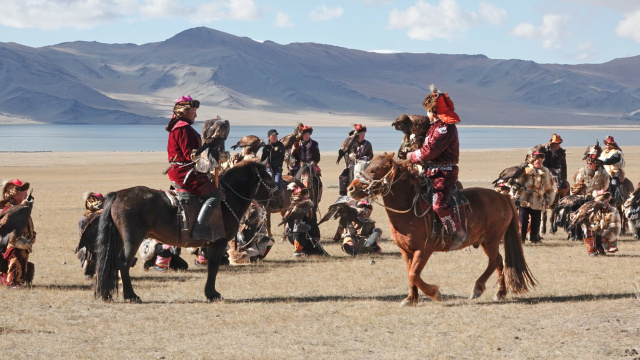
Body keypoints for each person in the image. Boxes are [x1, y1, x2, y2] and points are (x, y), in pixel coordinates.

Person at [408, 84, 467, 249]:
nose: (427, 114)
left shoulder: (444, 129)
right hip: (430, 172)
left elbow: (429, 152)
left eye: (428, 111)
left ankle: (459, 232)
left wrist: (411, 156)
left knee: (438, 204)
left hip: (444, 173)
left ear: (434, 112)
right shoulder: (435, 127)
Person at [166, 95, 224, 241]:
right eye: (193, 112)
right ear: (184, 112)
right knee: (215, 195)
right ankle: (199, 229)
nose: (196, 115)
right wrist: (211, 151)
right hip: (185, 173)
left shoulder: (178, 127)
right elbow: (191, 155)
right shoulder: (183, 129)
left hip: (180, 171)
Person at [513, 151, 556, 243]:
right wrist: (515, 193)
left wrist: (549, 200)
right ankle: (521, 239)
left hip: (538, 200)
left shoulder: (545, 171)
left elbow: (550, 188)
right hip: (524, 199)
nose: (540, 162)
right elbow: (517, 183)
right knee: (523, 220)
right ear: (533, 161)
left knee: (536, 221)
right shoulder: (525, 170)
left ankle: (534, 238)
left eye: (541, 160)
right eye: (537, 160)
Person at [0, 179, 35, 288]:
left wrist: (32, 235)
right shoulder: (9, 209)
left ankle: (17, 280)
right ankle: (13, 282)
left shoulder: (22, 208)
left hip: (21, 244)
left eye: (26, 191)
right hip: (11, 246)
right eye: (22, 191)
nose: (25, 193)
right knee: (16, 257)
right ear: (14, 194)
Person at [339, 124, 373, 196]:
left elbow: (371, 155)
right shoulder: (349, 143)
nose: (363, 135)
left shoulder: (368, 144)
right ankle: (344, 194)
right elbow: (343, 150)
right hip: (351, 166)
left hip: (363, 167)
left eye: (364, 134)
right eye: (361, 134)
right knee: (343, 177)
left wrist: (364, 158)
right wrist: (349, 155)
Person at [583, 191, 621, 256]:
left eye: (607, 199)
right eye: (603, 200)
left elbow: (616, 226)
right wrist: (593, 227)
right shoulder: (591, 210)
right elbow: (586, 223)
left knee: (612, 227)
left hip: (606, 233)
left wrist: (606, 236)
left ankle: (606, 247)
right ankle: (592, 250)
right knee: (587, 229)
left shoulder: (613, 210)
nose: (606, 202)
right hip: (595, 232)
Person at [599, 135, 625, 205]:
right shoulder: (604, 152)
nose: (606, 146)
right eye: (606, 144)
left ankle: (615, 199)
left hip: (614, 174)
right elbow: (600, 160)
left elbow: (612, 160)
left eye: (608, 144)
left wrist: (604, 162)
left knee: (614, 184)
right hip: (604, 173)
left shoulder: (617, 153)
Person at [543, 133, 568, 201]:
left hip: (558, 172)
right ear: (553, 144)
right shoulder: (546, 151)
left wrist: (565, 177)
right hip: (546, 170)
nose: (558, 145)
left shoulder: (561, 152)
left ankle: (563, 199)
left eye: (559, 144)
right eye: (557, 144)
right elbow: (544, 164)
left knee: (564, 186)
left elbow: (564, 165)